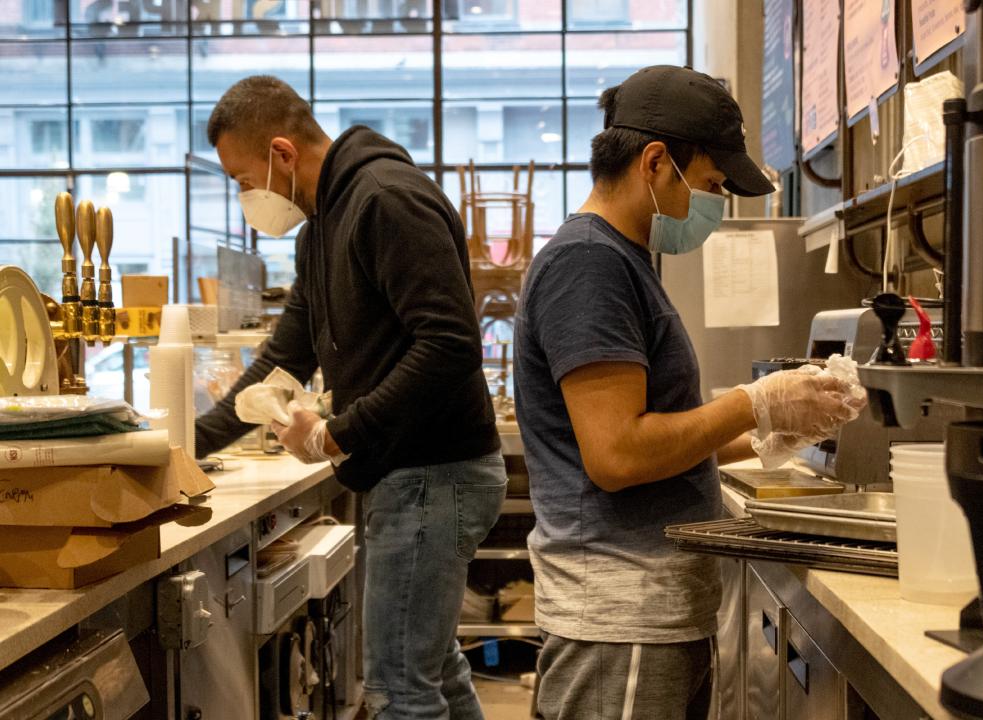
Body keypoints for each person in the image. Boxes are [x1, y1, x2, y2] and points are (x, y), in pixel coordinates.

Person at [513, 66, 863, 720]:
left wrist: (767, 434)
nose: (711, 204)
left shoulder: (625, 259)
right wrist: (751, 401)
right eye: (707, 184)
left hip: (654, 616)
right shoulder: (587, 264)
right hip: (621, 621)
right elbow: (616, 455)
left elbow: (661, 431)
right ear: (654, 161)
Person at [194, 75, 506, 720]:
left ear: (283, 153)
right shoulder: (320, 232)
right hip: (409, 474)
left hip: (435, 473)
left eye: (242, 180)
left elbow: (449, 345)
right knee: (430, 667)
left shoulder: (385, 199)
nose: (245, 197)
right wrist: (183, 448)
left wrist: (341, 432)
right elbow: (283, 359)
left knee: (396, 684)